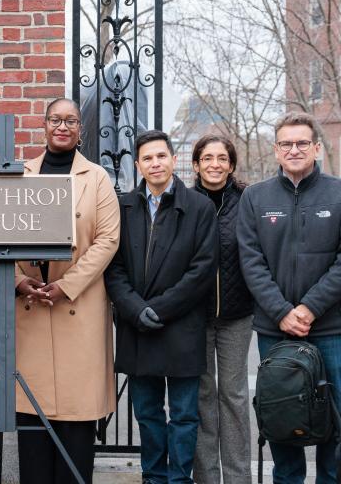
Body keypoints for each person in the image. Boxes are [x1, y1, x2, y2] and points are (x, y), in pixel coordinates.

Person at [13, 98, 120, 484]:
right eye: (55, 120)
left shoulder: (97, 178)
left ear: (80, 129)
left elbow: (108, 240)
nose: (62, 126)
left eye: (70, 121)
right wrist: (18, 281)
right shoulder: (19, 174)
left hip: (78, 307)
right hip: (30, 307)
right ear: (43, 125)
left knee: (76, 421)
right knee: (33, 415)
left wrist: (67, 285)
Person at [105, 129, 218, 484]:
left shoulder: (199, 207)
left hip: (182, 325)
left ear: (173, 159)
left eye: (161, 156)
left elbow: (203, 269)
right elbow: (113, 266)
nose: (155, 163)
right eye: (147, 158)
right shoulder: (122, 206)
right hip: (137, 325)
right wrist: (134, 308)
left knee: (184, 415)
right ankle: (153, 476)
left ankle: (178, 479)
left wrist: (162, 308)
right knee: (147, 413)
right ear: (138, 164)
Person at [237, 111, 341, 484]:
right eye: (286, 144)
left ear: (316, 147)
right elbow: (251, 261)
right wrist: (282, 312)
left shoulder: (339, 193)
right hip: (275, 330)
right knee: (282, 418)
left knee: (336, 421)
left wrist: (310, 307)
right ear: (276, 150)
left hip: (331, 329)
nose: (294, 149)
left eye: (301, 143)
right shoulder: (255, 197)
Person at [190, 135, 252, 484]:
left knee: (234, 396)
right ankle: (206, 478)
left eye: (222, 158)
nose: (215, 164)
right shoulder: (183, 201)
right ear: (196, 164)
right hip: (194, 317)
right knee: (202, 396)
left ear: (231, 165)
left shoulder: (247, 200)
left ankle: (239, 477)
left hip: (237, 314)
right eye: (207, 157)